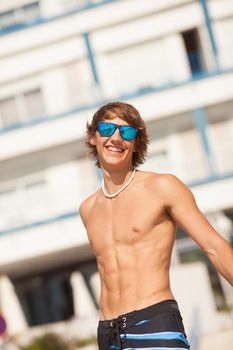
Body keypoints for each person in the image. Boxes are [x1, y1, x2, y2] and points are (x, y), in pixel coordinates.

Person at [79, 101, 233, 350]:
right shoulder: (88, 209)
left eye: (127, 132)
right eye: (107, 129)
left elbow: (214, 246)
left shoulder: (162, 187)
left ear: (136, 143)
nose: (116, 138)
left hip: (154, 322)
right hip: (107, 333)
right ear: (93, 137)